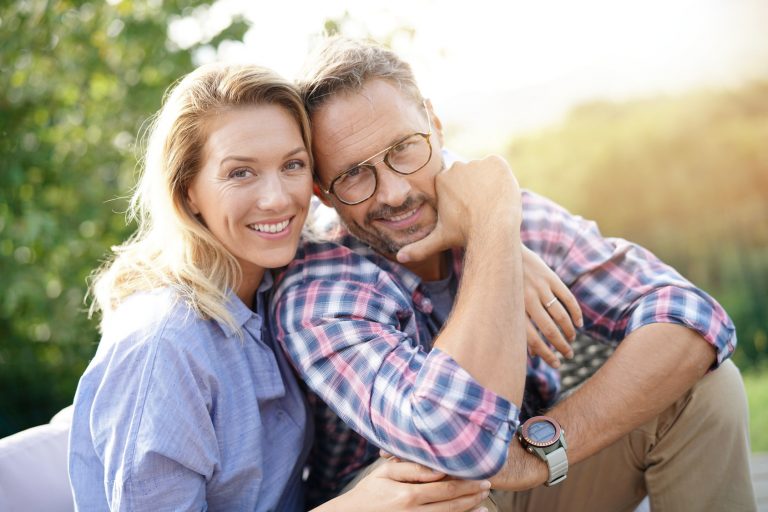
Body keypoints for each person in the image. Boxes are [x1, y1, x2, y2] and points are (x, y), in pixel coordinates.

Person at [272, 37, 756, 511]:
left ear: (434, 125)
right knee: (436, 491)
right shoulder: (319, 292)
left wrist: (539, 453)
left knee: (706, 391)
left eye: (404, 148)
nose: (394, 192)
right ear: (322, 191)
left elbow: (693, 317)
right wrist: (490, 235)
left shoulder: (507, 213)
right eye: (354, 174)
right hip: (425, 492)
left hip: (523, 472)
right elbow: (457, 444)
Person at [67, 62, 495, 512]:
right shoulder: (165, 346)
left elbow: (395, 186)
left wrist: (492, 240)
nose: (277, 199)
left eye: (292, 165)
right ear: (188, 190)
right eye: (240, 173)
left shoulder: (270, 281)